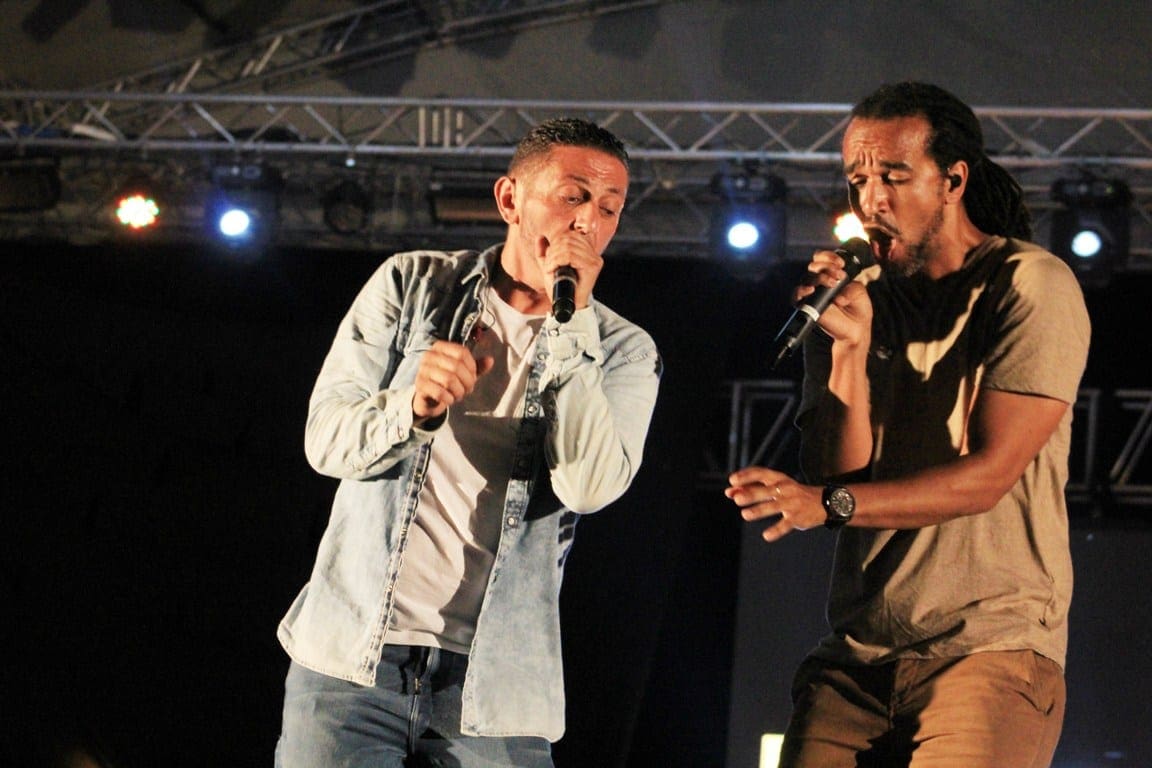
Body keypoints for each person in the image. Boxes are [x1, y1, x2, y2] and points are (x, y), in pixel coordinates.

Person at [274, 117, 661, 768]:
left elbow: (589, 487)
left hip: (497, 683)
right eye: (572, 195)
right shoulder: (411, 285)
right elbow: (326, 441)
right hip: (351, 661)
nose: (587, 221)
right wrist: (413, 407)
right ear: (510, 199)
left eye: (608, 207)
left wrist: (570, 325)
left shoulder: (623, 350)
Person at [725, 82, 1090, 767]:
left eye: (894, 176)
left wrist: (824, 504)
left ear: (953, 180)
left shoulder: (1027, 282)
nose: (873, 201)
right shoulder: (856, 301)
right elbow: (840, 472)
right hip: (858, 656)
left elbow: (987, 478)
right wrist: (847, 349)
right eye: (858, 179)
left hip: (987, 647)